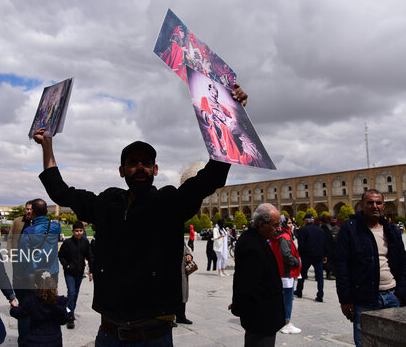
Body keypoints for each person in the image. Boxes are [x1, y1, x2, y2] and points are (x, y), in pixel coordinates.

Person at [33, 87, 247, 346]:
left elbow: (210, 177)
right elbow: (61, 192)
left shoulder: (169, 203)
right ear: (122, 170)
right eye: (133, 162)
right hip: (109, 333)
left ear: (155, 169)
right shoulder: (107, 203)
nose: (140, 167)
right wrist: (47, 145)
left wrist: (231, 119)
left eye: (146, 162)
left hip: (153, 335)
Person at [334, 189, 406, 347]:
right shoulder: (350, 230)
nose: (374, 206)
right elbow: (341, 266)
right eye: (370, 202)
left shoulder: (391, 231)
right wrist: (346, 300)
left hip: (392, 296)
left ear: (383, 206)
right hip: (365, 300)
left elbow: (403, 262)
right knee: (366, 343)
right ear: (362, 205)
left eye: (378, 203)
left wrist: (401, 293)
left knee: (394, 342)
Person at [230, 203, 285, 346]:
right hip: (260, 318)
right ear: (261, 224)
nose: (279, 228)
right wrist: (238, 305)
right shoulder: (251, 245)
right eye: (275, 225)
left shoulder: (256, 240)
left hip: (264, 315)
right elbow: (246, 282)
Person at [15, 198, 62, 345]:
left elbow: (22, 257)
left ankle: (25, 341)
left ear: (32, 213)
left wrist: (18, 274)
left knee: (27, 310)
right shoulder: (55, 227)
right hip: (51, 274)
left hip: (32, 275)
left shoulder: (29, 231)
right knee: (50, 306)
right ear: (47, 211)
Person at [10, 270, 69, 347]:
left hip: (34, 341)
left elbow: (20, 313)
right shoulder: (60, 301)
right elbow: (63, 320)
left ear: (35, 285)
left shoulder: (31, 301)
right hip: (54, 341)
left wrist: (13, 308)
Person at [7, 199, 36, 346]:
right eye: (27, 209)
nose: (28, 211)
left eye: (31, 209)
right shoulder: (18, 221)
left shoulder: (37, 223)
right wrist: (11, 253)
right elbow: (11, 237)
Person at [58, 220, 93, 329]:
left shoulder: (85, 242)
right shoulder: (67, 243)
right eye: (77, 231)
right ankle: (70, 317)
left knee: (75, 294)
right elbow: (61, 255)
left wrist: (91, 271)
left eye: (81, 231)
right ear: (73, 231)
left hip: (79, 272)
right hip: (69, 273)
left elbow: (90, 256)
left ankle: (69, 310)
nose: (79, 233)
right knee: (72, 292)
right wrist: (66, 265)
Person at [270, 215, 302, 335]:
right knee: (288, 299)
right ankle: (286, 323)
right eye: (288, 223)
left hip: (281, 271)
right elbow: (286, 254)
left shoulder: (277, 236)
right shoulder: (284, 236)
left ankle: (280, 321)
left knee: (283, 298)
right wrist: (296, 262)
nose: (291, 225)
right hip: (287, 272)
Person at [294, 213, 327, 302]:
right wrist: (324, 255)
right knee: (320, 277)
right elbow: (324, 244)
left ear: (306, 221)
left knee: (303, 274)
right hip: (318, 256)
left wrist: (300, 254)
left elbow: (301, 245)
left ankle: (299, 291)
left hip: (307, 256)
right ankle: (320, 295)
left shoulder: (303, 230)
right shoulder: (320, 230)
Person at [175, 242, 194, 326]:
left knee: (183, 292)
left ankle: (181, 316)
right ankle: (170, 318)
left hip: (182, 268)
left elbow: (185, 247)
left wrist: (188, 254)